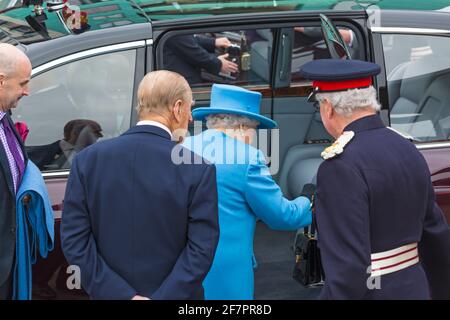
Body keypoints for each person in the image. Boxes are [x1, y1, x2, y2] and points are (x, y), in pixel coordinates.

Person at [61, 70, 220, 300]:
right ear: (176, 108)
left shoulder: (87, 160)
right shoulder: (198, 168)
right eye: (189, 108)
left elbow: (75, 241)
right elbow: (202, 248)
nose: (191, 118)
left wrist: (120, 295)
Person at [298, 59, 450, 299]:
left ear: (328, 107)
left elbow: (348, 272)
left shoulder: (339, 166)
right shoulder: (407, 147)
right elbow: (436, 235)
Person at [182, 84, 313, 299]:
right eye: (255, 129)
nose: (254, 136)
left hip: (183, 268)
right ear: (243, 127)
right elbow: (282, 216)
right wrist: (307, 199)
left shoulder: (184, 147)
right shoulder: (248, 158)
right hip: (227, 273)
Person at [0, 43, 31, 300]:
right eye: (23, 83)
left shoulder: (5, 117)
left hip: (8, 264)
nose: (27, 91)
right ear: (1, 81)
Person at [28, 119, 103, 171]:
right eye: (95, 132)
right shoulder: (37, 154)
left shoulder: (99, 155)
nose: (99, 136)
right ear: (75, 133)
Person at [164, 34, 238, 85]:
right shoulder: (171, 20)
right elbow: (192, 50)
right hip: (181, 87)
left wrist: (214, 42)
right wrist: (218, 64)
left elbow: (190, 38)